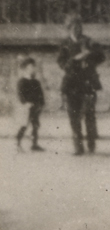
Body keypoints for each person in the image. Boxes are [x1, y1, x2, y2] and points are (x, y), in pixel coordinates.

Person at [56, 15, 105, 155]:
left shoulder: (89, 41)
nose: (77, 30)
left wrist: (89, 55)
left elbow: (101, 57)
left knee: (89, 114)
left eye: (79, 27)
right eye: (73, 27)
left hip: (87, 83)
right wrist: (74, 60)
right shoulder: (65, 44)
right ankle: (78, 147)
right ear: (68, 29)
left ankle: (91, 143)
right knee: (73, 116)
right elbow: (61, 63)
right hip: (71, 84)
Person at [15, 55, 45, 152]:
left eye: (33, 67)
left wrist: (41, 103)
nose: (32, 69)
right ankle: (18, 144)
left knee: (35, 125)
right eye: (30, 67)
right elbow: (20, 94)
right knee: (24, 125)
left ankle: (34, 144)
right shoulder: (22, 81)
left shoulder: (36, 82)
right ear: (25, 69)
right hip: (26, 107)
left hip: (36, 106)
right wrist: (25, 103)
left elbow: (40, 93)